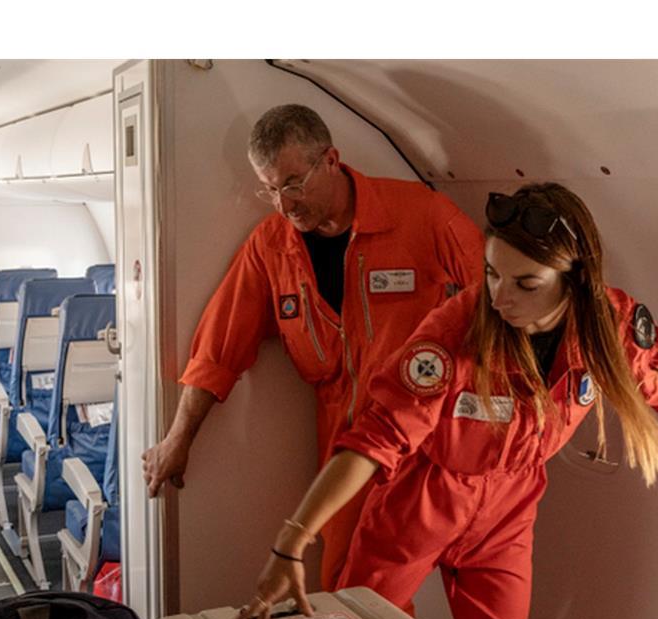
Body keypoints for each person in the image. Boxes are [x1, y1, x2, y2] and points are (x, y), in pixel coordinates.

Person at [234, 182, 658, 619]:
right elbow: (373, 442)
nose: (500, 296)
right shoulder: (456, 328)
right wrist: (293, 541)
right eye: (492, 273)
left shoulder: (609, 325)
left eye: (525, 283)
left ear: (576, 279)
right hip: (424, 494)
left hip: (509, 511)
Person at [141, 104, 485, 591]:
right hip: (349, 448)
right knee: (350, 590)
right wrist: (178, 439)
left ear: (331, 160)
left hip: (431, 440)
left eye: (293, 183)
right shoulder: (271, 247)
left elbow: (498, 301)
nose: (284, 204)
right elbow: (218, 348)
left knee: (468, 587)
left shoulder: (420, 214)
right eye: (271, 189)